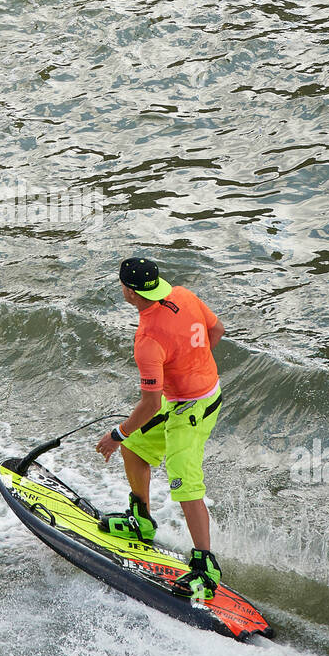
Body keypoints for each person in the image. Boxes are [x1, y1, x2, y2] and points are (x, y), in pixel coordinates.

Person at [96, 257, 225, 600]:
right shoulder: (183, 294)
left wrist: (115, 434)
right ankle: (141, 521)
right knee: (136, 447)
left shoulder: (148, 339)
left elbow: (150, 405)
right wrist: (191, 363)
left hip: (194, 408)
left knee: (184, 482)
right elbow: (217, 330)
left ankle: (206, 569)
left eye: (122, 285)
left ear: (130, 292)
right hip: (186, 396)